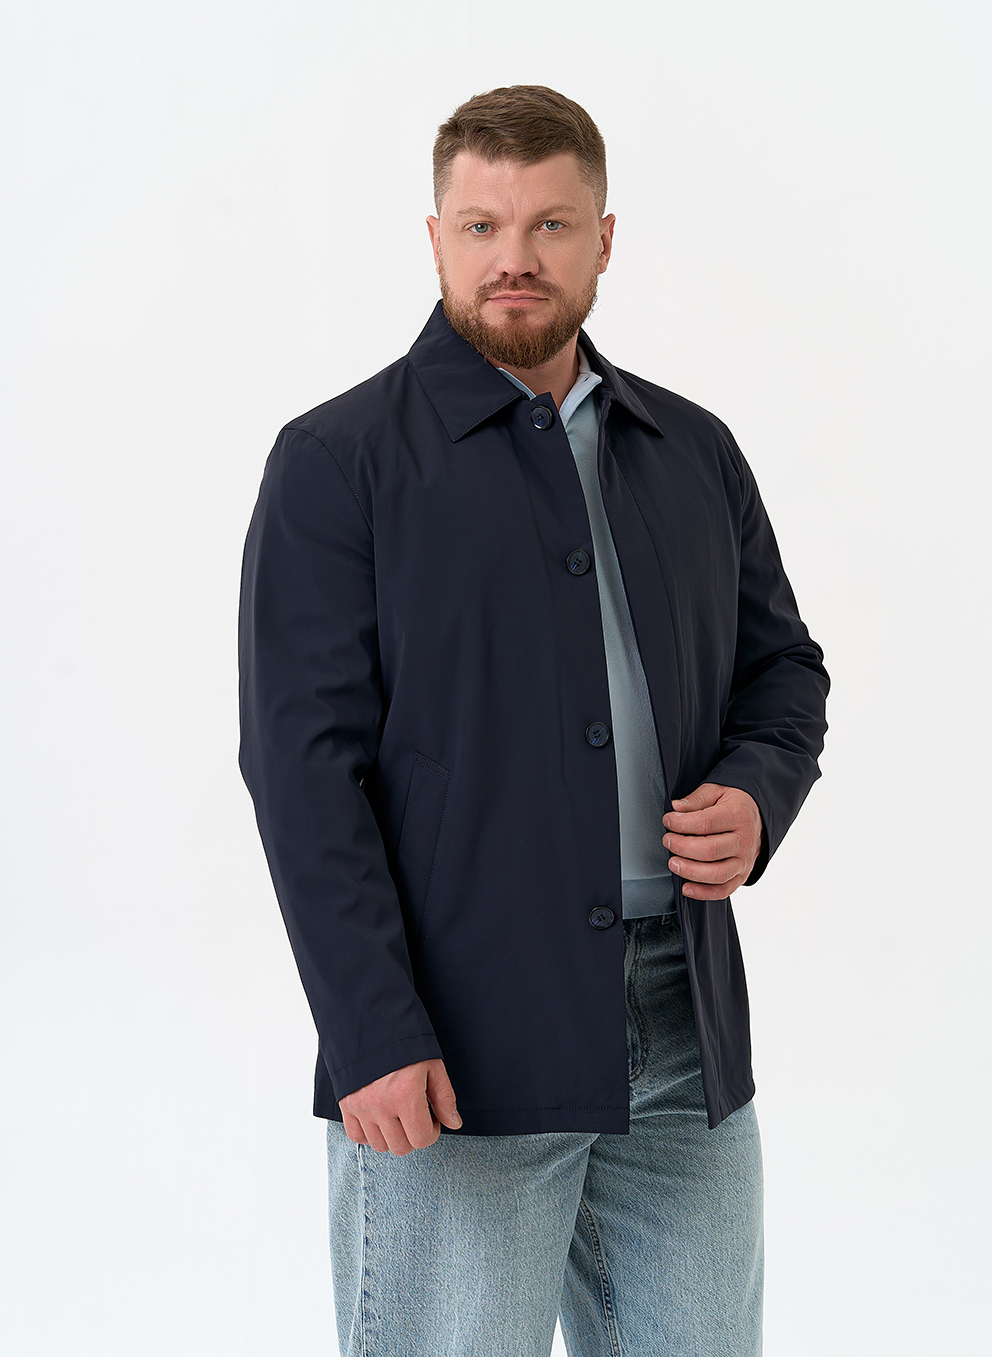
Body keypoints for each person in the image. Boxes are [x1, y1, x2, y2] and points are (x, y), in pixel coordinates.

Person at [238, 84, 829, 1357]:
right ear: (435, 239)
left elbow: (783, 672)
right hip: (455, 1042)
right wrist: (370, 1028)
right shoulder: (338, 462)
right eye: (481, 225)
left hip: (682, 1028)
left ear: (602, 241)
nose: (514, 257)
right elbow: (301, 771)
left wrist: (755, 789)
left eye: (550, 225)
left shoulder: (692, 451)